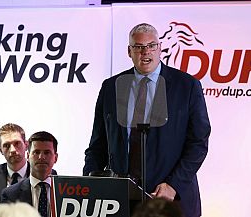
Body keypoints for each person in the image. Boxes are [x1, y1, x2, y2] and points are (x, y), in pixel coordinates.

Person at [83, 23, 211, 217]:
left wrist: (172, 185)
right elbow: (98, 145)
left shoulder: (186, 86)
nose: (146, 52)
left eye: (151, 46)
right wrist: (90, 183)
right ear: (129, 51)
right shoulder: (111, 87)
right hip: (120, 203)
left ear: (160, 48)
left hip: (170, 201)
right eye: (139, 47)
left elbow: (198, 143)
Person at [1, 131, 58, 217]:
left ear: (56, 158)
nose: (41, 157)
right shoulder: (10, 195)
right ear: (28, 156)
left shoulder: (68, 192)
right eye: (36, 152)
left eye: (47, 152)